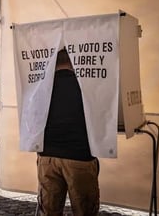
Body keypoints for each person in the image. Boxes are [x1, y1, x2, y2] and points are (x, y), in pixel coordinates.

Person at [36, 49, 99, 216]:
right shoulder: (86, 85)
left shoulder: (40, 85)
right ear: (73, 62)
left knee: (49, 210)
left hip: (47, 155)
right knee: (85, 210)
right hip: (79, 154)